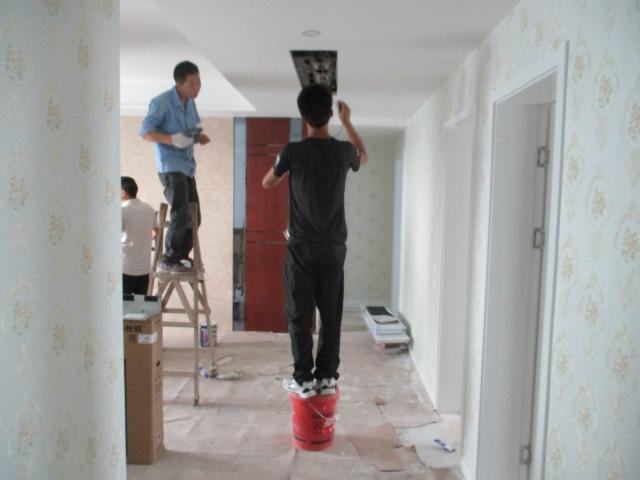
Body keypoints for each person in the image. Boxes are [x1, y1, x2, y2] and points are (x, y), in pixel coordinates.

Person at [262, 84, 368, 398]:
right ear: (331, 114)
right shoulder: (343, 151)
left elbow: (267, 183)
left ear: (302, 116)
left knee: (299, 313)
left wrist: (285, 167)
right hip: (333, 247)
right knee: (330, 314)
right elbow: (363, 156)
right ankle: (327, 377)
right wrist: (348, 123)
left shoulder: (292, 152)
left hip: (301, 247)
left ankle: (303, 379)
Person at [139, 60, 210, 274]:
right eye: (192, 83)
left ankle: (181, 256)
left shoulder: (191, 103)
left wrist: (198, 137)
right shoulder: (161, 102)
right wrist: (170, 139)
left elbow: (192, 130)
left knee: (195, 216)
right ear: (179, 84)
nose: (197, 87)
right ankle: (169, 258)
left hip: (187, 166)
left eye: (199, 82)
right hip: (170, 166)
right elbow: (145, 132)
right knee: (181, 212)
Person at [121, 176, 157, 295]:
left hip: (125, 268)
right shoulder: (149, 209)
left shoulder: (122, 210)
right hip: (144, 270)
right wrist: (143, 237)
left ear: (123, 193)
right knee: (139, 305)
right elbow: (156, 231)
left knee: (122, 305)